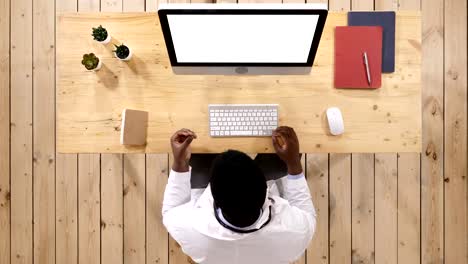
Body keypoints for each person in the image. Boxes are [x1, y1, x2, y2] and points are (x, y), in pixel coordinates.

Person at [162, 126, 316, 264]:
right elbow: (306, 212)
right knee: (287, 144)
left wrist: (180, 162)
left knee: (198, 146)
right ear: (265, 190)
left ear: (213, 196)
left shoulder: (191, 229)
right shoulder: (295, 231)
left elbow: (170, 211)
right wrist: (294, 162)